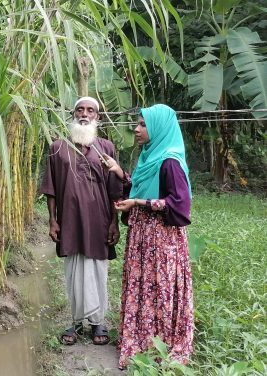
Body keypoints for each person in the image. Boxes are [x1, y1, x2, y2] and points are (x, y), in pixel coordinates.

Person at [103, 104, 193, 368]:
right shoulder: (149, 157)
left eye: (143, 124)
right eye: (138, 123)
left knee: (158, 287)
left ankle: (160, 344)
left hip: (162, 240)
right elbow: (143, 186)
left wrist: (139, 203)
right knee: (143, 287)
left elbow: (180, 205)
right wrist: (120, 173)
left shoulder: (170, 161)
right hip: (144, 237)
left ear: (158, 128)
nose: (137, 128)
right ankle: (141, 339)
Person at [39, 96, 122, 346]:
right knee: (74, 270)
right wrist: (52, 220)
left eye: (90, 110)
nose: (84, 114)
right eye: (80, 109)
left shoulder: (106, 147)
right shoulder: (57, 147)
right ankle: (76, 321)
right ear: (73, 114)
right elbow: (51, 188)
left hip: (99, 220)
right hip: (70, 220)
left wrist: (114, 222)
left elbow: (115, 188)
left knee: (97, 270)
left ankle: (97, 322)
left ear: (97, 116)